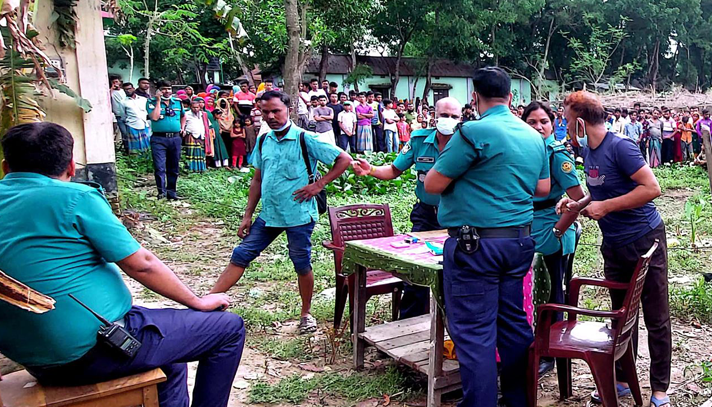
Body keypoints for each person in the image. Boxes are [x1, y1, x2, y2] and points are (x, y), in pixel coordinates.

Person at [0, 122, 244, 407]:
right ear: (70, 165)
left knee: (170, 361)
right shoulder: (76, 198)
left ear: (6, 167)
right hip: (87, 350)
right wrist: (198, 301)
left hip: (30, 354)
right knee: (228, 328)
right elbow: (142, 264)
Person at [423, 67, 550, 407]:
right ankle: (517, 399)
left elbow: (432, 184)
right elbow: (542, 188)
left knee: (475, 334)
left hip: (476, 246)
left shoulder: (472, 133)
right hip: (519, 242)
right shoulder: (533, 136)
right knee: (513, 325)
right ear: (511, 98)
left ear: (475, 98)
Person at [561, 91, 671, 407]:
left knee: (656, 315)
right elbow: (601, 190)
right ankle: (623, 379)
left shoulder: (619, 147)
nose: (565, 125)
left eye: (567, 119)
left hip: (643, 240)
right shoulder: (589, 150)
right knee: (622, 317)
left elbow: (652, 188)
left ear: (580, 121)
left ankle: (660, 388)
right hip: (614, 245)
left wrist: (606, 207)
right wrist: (578, 203)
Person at [210, 91, 351, 335]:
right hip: (270, 214)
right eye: (265, 112)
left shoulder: (305, 138)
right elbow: (257, 179)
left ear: (288, 109)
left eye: (276, 110)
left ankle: (306, 313)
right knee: (242, 254)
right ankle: (207, 302)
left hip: (299, 215)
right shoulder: (265, 140)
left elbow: (344, 159)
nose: (271, 116)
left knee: (301, 262)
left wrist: (318, 184)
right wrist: (247, 215)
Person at [353, 97, 463, 320]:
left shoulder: (466, 143)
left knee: (457, 272)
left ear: (461, 118)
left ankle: (452, 326)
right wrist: (370, 169)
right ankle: (409, 322)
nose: (448, 120)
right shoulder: (420, 139)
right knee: (415, 272)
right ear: (434, 115)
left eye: (454, 117)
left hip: (456, 218)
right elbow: (394, 170)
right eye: (444, 115)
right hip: (426, 215)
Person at [521, 101, 585, 376]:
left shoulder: (556, 154)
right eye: (532, 122)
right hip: (526, 225)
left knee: (552, 292)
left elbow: (580, 198)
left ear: (553, 124)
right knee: (533, 291)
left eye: (543, 122)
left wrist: (559, 228)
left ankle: (550, 351)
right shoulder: (521, 151)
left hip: (550, 227)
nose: (538, 127)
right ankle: (536, 344)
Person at [147, 80, 185, 200]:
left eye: (169, 89)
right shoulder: (151, 102)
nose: (167, 91)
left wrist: (182, 128)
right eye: (163, 89)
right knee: (160, 167)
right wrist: (158, 101)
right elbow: (154, 117)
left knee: (173, 167)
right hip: (159, 139)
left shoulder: (178, 102)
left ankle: (172, 192)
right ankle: (161, 193)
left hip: (175, 138)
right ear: (158, 90)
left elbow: (183, 116)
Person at [120, 82, 151, 154]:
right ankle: (136, 162)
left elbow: (148, 111)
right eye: (125, 90)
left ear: (133, 88)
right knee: (135, 146)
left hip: (144, 125)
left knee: (146, 144)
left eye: (129, 89)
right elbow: (123, 115)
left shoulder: (143, 99)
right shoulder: (123, 102)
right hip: (132, 126)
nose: (128, 91)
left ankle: (147, 160)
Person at [182, 99, 207, 173]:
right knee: (191, 153)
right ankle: (191, 169)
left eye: (197, 107)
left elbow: (207, 125)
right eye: (193, 107)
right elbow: (183, 124)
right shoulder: (186, 114)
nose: (195, 109)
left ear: (200, 107)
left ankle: (200, 169)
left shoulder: (203, 114)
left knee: (200, 153)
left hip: (201, 135)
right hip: (190, 135)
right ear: (190, 107)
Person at [109, 74, 128, 153]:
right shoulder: (110, 91)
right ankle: (126, 150)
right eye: (114, 82)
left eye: (117, 82)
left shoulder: (123, 91)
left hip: (127, 114)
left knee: (129, 133)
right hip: (118, 116)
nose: (116, 83)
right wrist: (111, 89)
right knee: (124, 133)